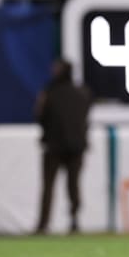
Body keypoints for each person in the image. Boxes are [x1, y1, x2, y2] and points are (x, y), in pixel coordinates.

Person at [35, 59, 92, 234]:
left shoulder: (50, 93)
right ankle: (74, 221)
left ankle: (44, 224)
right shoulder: (83, 93)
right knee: (73, 186)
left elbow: (40, 116)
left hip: (54, 147)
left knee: (49, 187)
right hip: (76, 147)